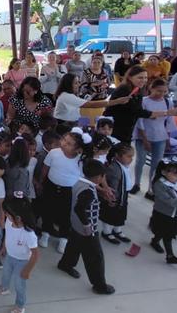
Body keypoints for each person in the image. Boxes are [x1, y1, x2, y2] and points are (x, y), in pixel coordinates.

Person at [57, 160, 115, 295]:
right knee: (95, 257)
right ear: (98, 177)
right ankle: (99, 285)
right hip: (86, 229)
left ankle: (65, 264)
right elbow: (80, 208)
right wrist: (88, 226)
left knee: (74, 245)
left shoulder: (79, 183)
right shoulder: (88, 191)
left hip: (76, 224)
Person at [104, 66, 177, 153]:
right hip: (115, 128)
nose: (144, 80)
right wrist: (166, 113)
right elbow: (138, 112)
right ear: (130, 77)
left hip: (126, 129)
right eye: (140, 77)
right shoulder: (124, 89)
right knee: (116, 155)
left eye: (145, 77)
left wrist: (154, 114)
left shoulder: (138, 89)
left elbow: (138, 110)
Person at [0, 195, 40, 313]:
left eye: (7, 214)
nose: (5, 216)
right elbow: (8, 236)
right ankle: (4, 287)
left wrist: (27, 270)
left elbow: (35, 255)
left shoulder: (29, 234)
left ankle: (20, 305)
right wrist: (4, 247)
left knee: (19, 284)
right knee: (6, 274)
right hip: (10, 256)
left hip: (23, 261)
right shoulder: (9, 222)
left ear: (18, 218)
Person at [133, 79, 177, 197]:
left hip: (160, 136)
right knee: (140, 161)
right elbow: (139, 121)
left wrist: (168, 138)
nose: (161, 94)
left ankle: (151, 189)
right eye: (158, 91)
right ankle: (136, 183)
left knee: (157, 164)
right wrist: (144, 139)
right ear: (151, 88)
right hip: (143, 135)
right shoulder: (143, 101)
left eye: (164, 91)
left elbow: (169, 121)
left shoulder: (168, 102)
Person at [53, 74, 129, 127]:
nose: (79, 85)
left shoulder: (68, 95)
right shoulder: (66, 96)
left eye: (78, 82)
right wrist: (117, 101)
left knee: (89, 126)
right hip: (66, 124)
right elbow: (91, 105)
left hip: (73, 121)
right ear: (68, 84)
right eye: (76, 83)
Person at [99, 143, 134, 244]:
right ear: (117, 155)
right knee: (109, 214)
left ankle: (117, 230)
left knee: (121, 214)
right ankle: (106, 232)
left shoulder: (125, 166)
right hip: (115, 195)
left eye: (132, 157)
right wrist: (112, 197)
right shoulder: (114, 168)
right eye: (128, 156)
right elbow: (113, 185)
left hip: (124, 194)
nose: (131, 159)